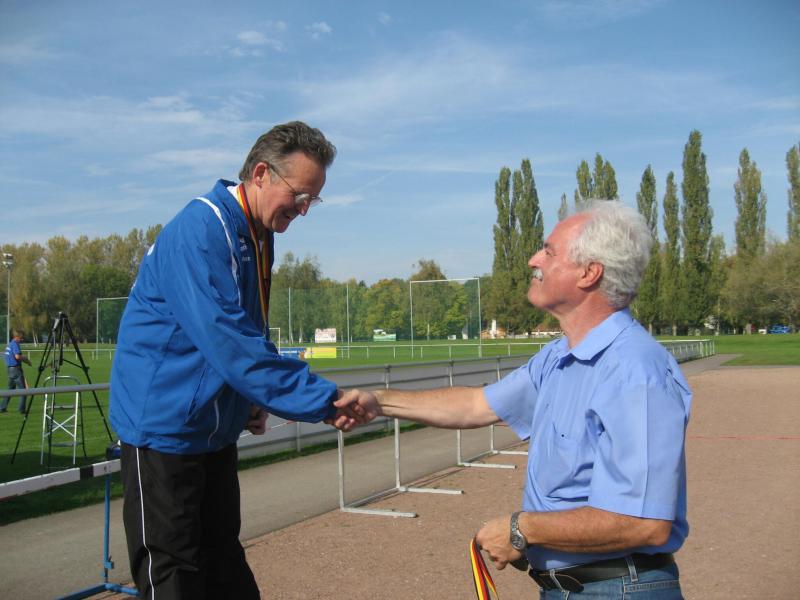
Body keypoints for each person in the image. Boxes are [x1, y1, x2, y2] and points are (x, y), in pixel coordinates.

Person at [335, 201, 692, 598]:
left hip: (618, 589)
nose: (533, 260)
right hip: (573, 588)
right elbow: (476, 405)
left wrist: (522, 529)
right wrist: (379, 401)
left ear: (589, 273)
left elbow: (644, 521)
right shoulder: (558, 357)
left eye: (549, 251)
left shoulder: (634, 369)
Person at [110, 121, 363, 600]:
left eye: (313, 201)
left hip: (212, 428)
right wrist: (324, 401)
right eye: (299, 195)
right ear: (261, 174)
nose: (303, 210)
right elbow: (228, 341)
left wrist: (248, 399)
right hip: (164, 428)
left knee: (223, 564)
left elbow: (250, 327)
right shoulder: (202, 229)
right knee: (175, 574)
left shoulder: (255, 231)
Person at [3, 330, 31, 414]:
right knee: (23, 390)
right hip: (16, 369)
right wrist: (27, 360)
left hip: (10, 369)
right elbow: (17, 356)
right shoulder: (15, 344)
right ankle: (22, 409)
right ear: (16, 337)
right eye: (21, 338)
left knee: (10, 390)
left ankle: (2, 407)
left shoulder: (10, 344)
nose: (22, 339)